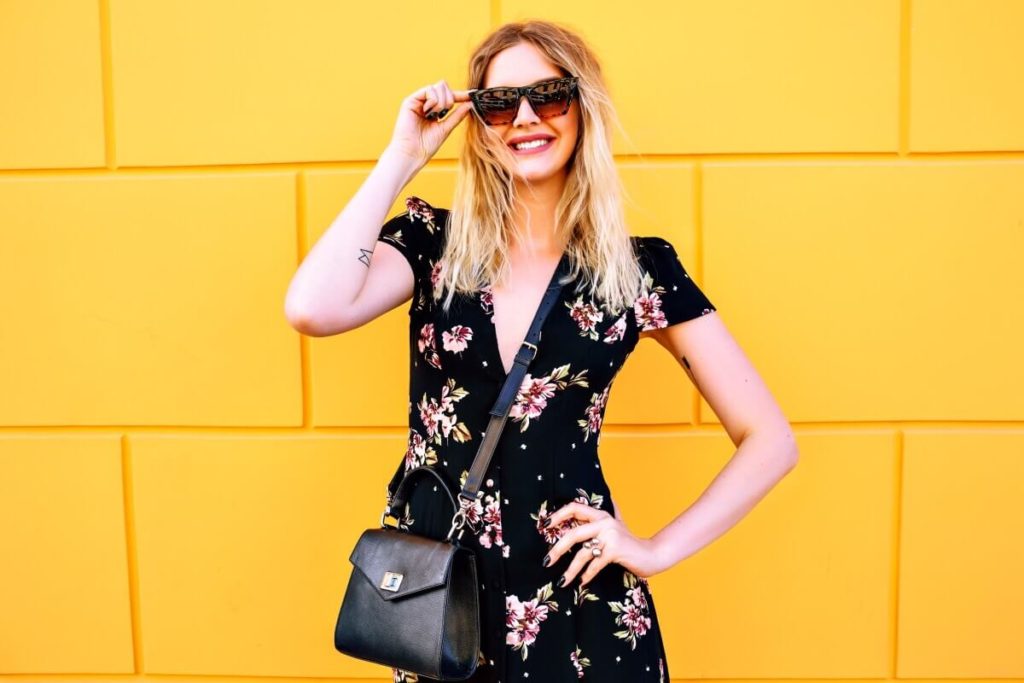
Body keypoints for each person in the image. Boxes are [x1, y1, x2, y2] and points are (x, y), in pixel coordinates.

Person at [285, 19, 798, 683]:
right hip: (439, 609)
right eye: (500, 103)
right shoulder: (431, 245)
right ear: (480, 122)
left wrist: (655, 548)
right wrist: (403, 156)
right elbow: (311, 308)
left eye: (549, 95)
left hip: (580, 609)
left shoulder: (636, 271)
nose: (525, 117)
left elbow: (770, 439)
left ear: (582, 106)